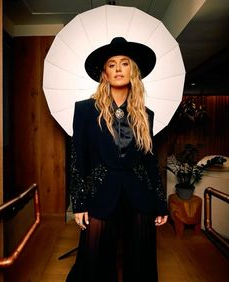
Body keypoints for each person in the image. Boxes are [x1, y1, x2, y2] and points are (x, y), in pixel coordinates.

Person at [66, 37, 168, 282]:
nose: (118, 69)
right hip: (100, 190)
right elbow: (78, 157)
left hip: (139, 193)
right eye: (112, 65)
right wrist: (79, 202)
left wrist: (160, 203)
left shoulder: (146, 114)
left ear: (132, 70)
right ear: (104, 73)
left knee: (141, 260)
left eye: (124, 63)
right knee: (93, 259)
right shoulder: (84, 110)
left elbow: (150, 162)